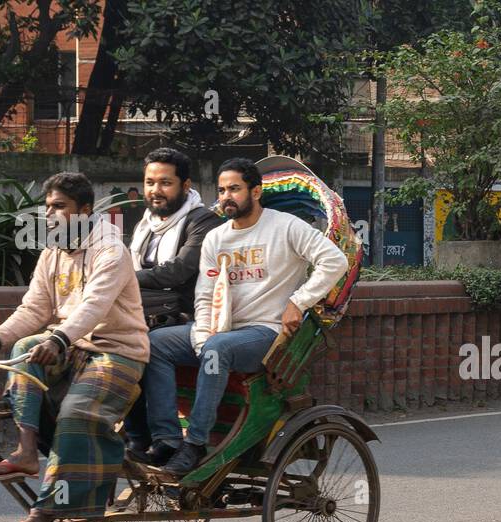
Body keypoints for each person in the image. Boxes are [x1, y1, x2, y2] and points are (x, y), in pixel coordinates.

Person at [0, 172, 148, 522]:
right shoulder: (52, 252)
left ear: (85, 211)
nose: (51, 214)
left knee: (75, 414)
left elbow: (94, 306)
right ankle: (26, 451)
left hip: (115, 350)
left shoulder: (111, 250)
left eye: (60, 207)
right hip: (69, 347)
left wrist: (57, 339)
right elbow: (33, 309)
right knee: (23, 348)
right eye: (48, 206)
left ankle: (43, 512)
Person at [138, 157, 348, 477]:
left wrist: (299, 301)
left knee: (217, 348)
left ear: (256, 191)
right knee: (156, 344)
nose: (226, 197)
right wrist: (201, 337)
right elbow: (206, 296)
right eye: (222, 190)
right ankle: (167, 438)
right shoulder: (216, 238)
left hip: (266, 332)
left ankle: (195, 444)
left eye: (234, 189)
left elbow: (335, 261)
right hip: (222, 331)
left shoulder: (285, 226)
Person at [123, 148, 223, 454]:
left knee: (147, 345)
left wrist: (123, 279)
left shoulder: (203, 221)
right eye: (150, 182)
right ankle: (135, 434)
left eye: (165, 183)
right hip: (147, 312)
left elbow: (179, 271)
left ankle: (166, 438)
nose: (156, 190)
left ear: (185, 185)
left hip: (190, 317)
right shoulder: (145, 225)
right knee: (114, 342)